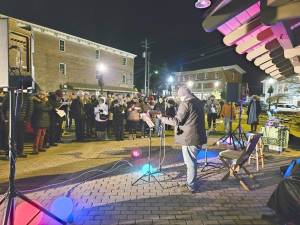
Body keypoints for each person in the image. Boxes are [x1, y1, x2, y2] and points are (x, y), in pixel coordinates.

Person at [158, 86, 207, 193]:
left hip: (190, 138)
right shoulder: (197, 102)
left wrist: (162, 118)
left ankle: (191, 185)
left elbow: (177, 121)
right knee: (191, 161)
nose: (179, 98)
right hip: (197, 137)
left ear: (182, 95)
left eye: (179, 96)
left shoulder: (186, 103)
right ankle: (191, 182)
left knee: (190, 163)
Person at [2, 90, 33, 158]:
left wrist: (26, 120)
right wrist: (5, 119)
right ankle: (9, 153)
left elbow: (30, 109)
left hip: (21, 120)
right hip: (10, 119)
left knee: (20, 136)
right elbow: (3, 108)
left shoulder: (26, 96)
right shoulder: (9, 94)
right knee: (9, 136)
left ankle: (20, 151)